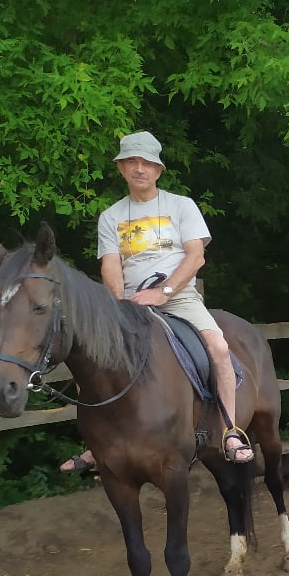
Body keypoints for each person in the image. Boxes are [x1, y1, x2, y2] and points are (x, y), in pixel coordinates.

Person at [60, 130, 251, 471]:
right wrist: (118, 303)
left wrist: (163, 292)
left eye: (147, 162)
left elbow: (195, 257)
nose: (140, 168)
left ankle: (229, 430)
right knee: (93, 355)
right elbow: (110, 264)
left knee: (219, 349)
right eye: (132, 161)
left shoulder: (182, 206)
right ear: (121, 168)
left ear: (158, 170)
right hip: (131, 301)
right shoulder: (111, 216)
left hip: (178, 297)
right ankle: (96, 443)